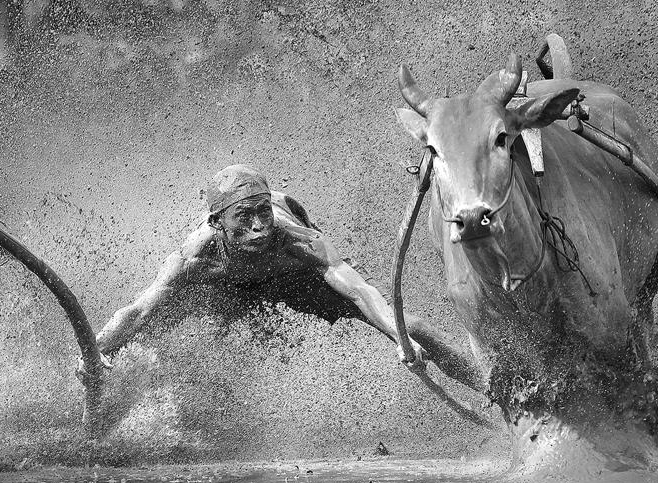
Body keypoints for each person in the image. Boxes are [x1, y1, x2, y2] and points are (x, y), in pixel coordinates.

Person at [87, 164, 483, 391]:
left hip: (291, 281)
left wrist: (400, 337)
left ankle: (490, 388)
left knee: (410, 325)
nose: (260, 226)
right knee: (143, 330)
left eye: (263, 212)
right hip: (222, 287)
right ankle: (97, 397)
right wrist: (97, 347)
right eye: (245, 217)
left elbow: (361, 291)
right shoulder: (192, 258)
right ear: (217, 223)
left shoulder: (297, 241)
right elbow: (138, 309)